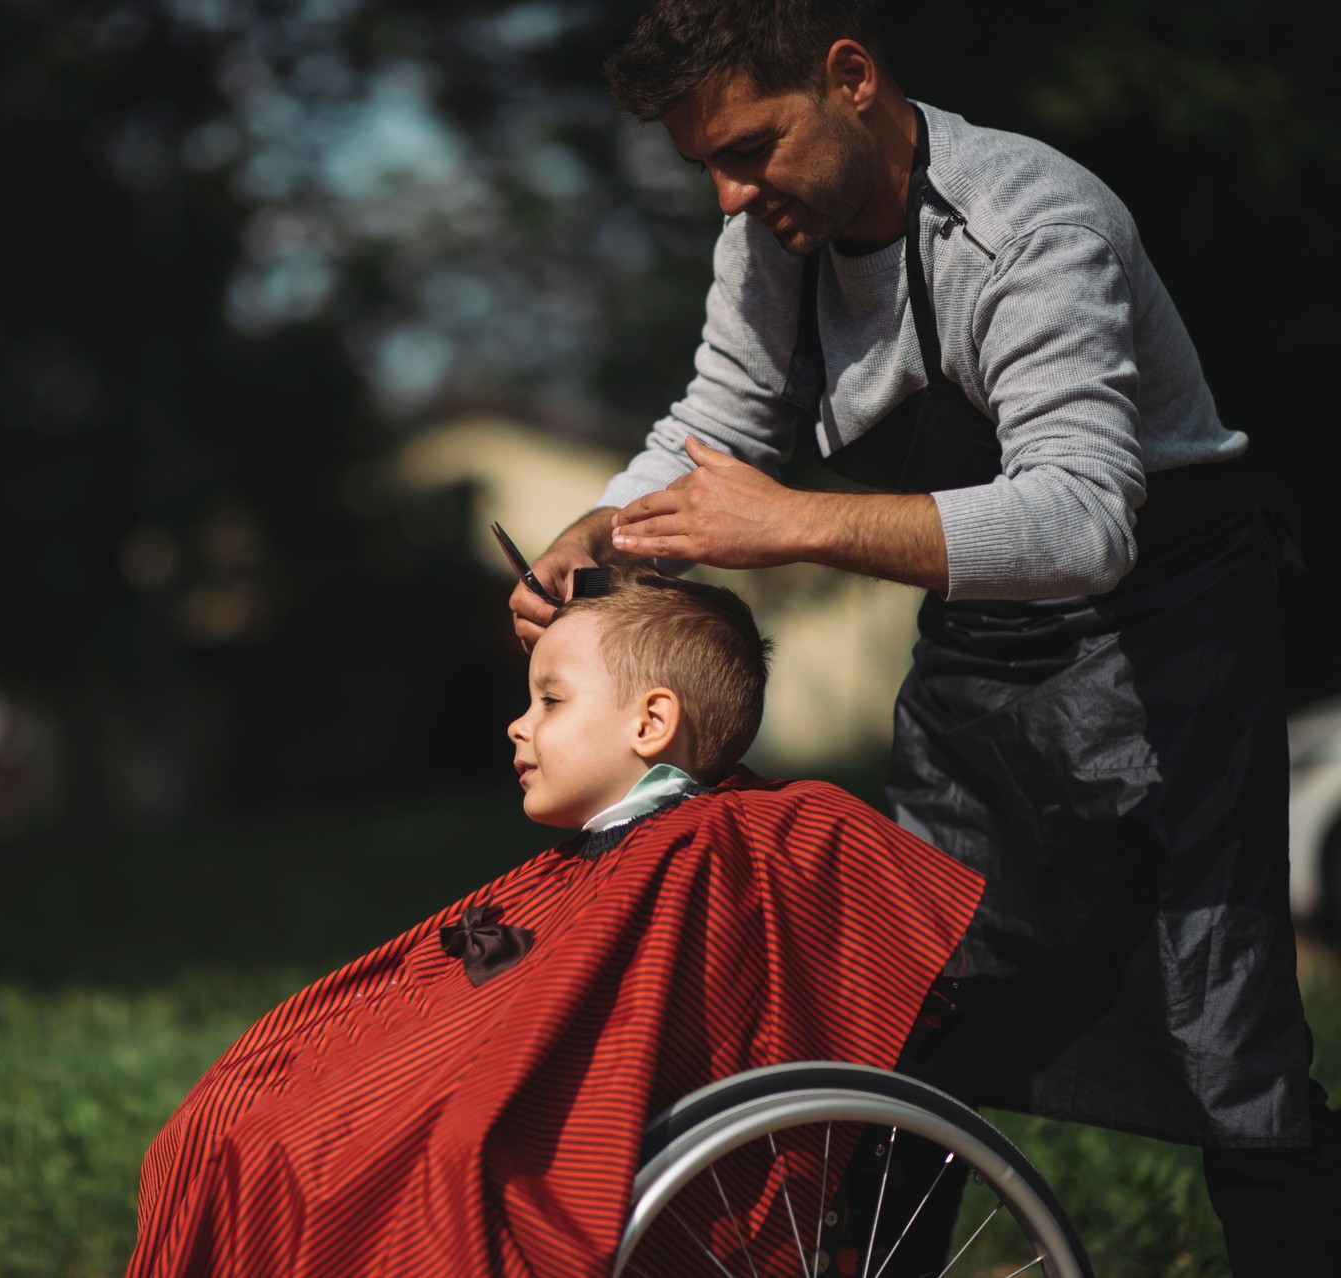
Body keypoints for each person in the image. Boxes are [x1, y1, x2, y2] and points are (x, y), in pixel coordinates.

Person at [509, 2, 1341, 1270]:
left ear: (850, 79)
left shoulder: (1032, 226)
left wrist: (793, 524)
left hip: (1167, 640)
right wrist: (603, 526)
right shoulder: (777, 236)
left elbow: (1080, 518)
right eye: (707, 168)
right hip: (985, 649)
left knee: (1225, 1031)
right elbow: (717, 419)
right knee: (904, 995)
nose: (731, 198)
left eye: (753, 149)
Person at [128, 567, 983, 1277]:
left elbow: (597, 1013)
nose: (518, 723)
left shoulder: (698, 843)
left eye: (550, 701)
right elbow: (525, 968)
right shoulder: (610, 853)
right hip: (481, 1072)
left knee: (311, 1154)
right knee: (223, 1125)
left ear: (651, 722)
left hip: (546, 1115)